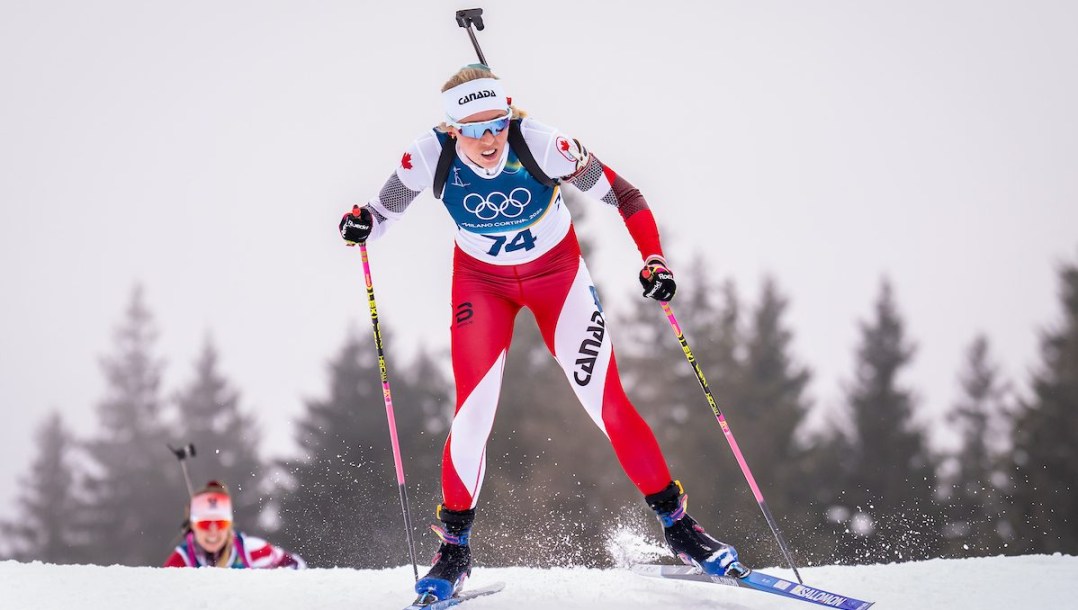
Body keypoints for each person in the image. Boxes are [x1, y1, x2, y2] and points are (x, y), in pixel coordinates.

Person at [339, 64, 746, 602]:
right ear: (451, 128)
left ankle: (679, 528)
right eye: (474, 128)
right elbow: (384, 207)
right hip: (482, 285)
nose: (489, 139)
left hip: (558, 279)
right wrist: (363, 221)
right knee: (473, 411)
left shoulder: (546, 146)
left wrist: (654, 260)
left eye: (498, 124)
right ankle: (454, 550)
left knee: (607, 403)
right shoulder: (428, 155)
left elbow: (627, 195)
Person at [164, 480, 306, 569]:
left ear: (229, 524)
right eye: (205, 523)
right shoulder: (182, 560)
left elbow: (297, 566)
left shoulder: (252, 550)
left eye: (220, 523)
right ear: (193, 525)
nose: (213, 531)